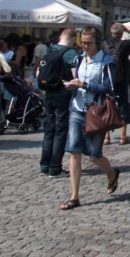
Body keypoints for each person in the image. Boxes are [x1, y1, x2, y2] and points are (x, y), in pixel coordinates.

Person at [61, 28, 120, 211]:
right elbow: (77, 81)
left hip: (95, 112)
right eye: (83, 42)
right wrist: (72, 86)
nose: (85, 46)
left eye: (89, 43)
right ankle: (74, 196)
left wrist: (86, 85)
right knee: (74, 151)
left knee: (94, 155)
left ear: (97, 42)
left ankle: (111, 173)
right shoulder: (79, 59)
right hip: (77, 110)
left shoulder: (106, 61)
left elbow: (110, 89)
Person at [37, 28, 79, 176]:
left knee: (49, 130)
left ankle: (44, 165)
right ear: (73, 38)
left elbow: (38, 72)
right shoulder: (71, 53)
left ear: (61, 36)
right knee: (60, 131)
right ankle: (55, 168)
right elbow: (75, 77)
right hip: (62, 94)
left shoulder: (50, 49)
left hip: (48, 93)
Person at [107, 22, 130, 146]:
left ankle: (105, 137)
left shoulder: (104, 44)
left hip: (107, 81)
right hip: (121, 80)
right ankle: (123, 137)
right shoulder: (124, 44)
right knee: (123, 106)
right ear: (121, 33)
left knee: (107, 107)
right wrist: (127, 29)